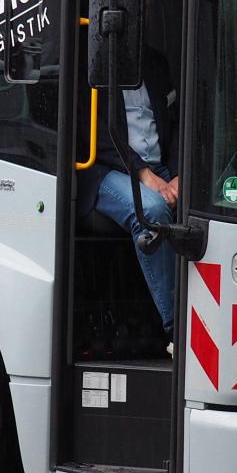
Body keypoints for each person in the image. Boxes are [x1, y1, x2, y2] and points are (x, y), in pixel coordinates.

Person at [79, 41, 179, 335]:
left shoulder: (156, 61)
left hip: (162, 168)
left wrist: (179, 176)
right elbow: (92, 135)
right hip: (109, 169)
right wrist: (144, 174)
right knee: (152, 210)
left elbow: (177, 121)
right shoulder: (91, 62)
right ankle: (176, 326)